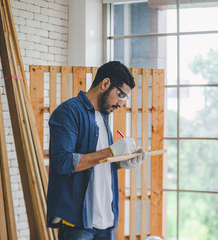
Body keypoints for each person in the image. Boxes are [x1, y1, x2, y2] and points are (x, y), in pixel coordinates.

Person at [46, 61, 146, 240]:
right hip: (78, 224)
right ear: (105, 83)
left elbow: (97, 163)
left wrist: (123, 162)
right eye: (120, 94)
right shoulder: (68, 112)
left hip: (106, 221)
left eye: (124, 97)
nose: (121, 103)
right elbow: (62, 163)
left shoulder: (103, 116)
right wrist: (111, 152)